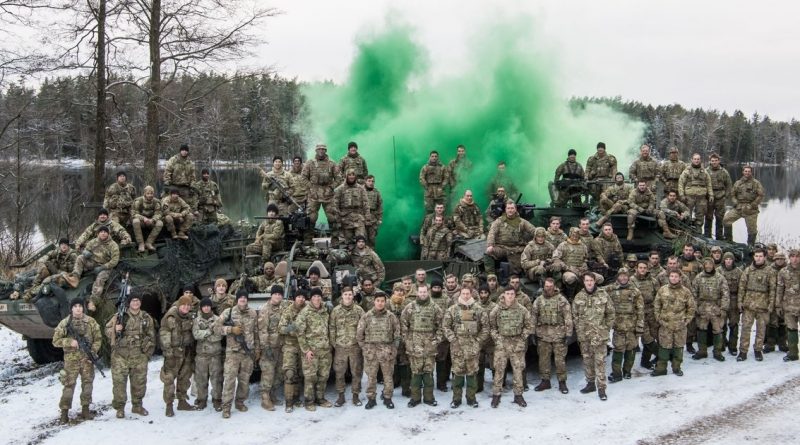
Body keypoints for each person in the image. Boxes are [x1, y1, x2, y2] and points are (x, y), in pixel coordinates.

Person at [52, 298, 102, 424]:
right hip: (71, 360)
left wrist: (93, 353)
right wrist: (70, 342)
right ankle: (64, 413)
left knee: (87, 384)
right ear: (72, 308)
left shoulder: (91, 322)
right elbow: (55, 341)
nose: (78, 308)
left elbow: (98, 339)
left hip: (87, 359)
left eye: (80, 306)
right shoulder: (65, 323)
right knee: (69, 385)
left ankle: (85, 409)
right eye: (75, 306)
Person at [106, 294, 156, 419]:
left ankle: (137, 406)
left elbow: (152, 336)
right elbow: (107, 331)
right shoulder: (119, 316)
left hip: (139, 356)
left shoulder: (146, 317)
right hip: (120, 356)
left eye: (138, 300)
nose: (135, 302)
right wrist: (115, 329)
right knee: (119, 385)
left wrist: (147, 355)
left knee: (139, 383)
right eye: (133, 300)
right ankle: (120, 408)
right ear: (129, 303)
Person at [443, 287, 489, 408]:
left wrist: (478, 341)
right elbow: (446, 327)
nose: (465, 296)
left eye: (467, 293)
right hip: (457, 348)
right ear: (460, 294)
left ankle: (471, 399)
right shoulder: (452, 310)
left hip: (472, 348)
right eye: (463, 293)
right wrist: (453, 340)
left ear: (471, 294)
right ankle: (456, 399)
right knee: (457, 374)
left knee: (471, 374)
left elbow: (485, 328)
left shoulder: (479, 310)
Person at [215, 289, 258, 418]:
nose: (243, 300)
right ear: (237, 299)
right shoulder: (228, 312)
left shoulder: (252, 313)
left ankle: (240, 402)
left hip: (247, 353)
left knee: (244, 380)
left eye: (245, 298)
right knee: (229, 380)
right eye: (240, 298)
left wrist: (257, 349)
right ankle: (226, 407)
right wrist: (230, 329)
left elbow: (256, 332)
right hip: (232, 353)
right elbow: (216, 328)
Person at [488, 286, 533, 408]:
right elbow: (491, 326)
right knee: (499, 370)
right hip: (502, 344)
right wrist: (497, 338)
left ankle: (518, 395)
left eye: (512, 293)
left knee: (518, 370)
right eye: (507, 293)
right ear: (504, 295)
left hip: (516, 344)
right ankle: (496, 395)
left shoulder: (522, 310)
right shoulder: (497, 310)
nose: (510, 296)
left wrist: (522, 338)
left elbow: (529, 326)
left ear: (515, 295)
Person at [572, 273, 615, 400]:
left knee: (600, 361)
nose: (589, 283)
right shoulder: (579, 296)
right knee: (587, 360)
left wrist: (605, 328)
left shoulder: (603, 295)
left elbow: (610, 313)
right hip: (584, 335)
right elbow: (575, 315)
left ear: (595, 281)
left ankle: (601, 388)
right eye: (587, 280)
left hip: (599, 335)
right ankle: (590, 383)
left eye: (591, 280)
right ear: (583, 282)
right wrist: (579, 329)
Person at [401, 285, 444, 407]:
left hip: (430, 347)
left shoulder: (435, 308)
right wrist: (408, 341)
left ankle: (429, 398)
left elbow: (441, 326)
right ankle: (415, 398)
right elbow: (403, 326)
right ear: (417, 293)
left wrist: (436, 341)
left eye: (425, 291)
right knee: (416, 373)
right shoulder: (410, 307)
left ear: (428, 292)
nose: (423, 294)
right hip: (415, 347)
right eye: (421, 292)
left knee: (428, 373)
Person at [358, 292, 401, 409]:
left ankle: (388, 398)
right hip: (371, 352)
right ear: (374, 301)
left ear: (385, 302)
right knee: (371, 377)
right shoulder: (366, 316)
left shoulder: (391, 317)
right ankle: (371, 399)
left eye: (382, 301)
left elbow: (397, 333)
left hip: (387, 352)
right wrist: (365, 348)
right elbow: (359, 334)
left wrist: (394, 348)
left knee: (388, 377)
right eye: (378, 301)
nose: (380, 303)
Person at [531, 278, 573, 394]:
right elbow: (533, 316)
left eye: (550, 286)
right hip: (543, 335)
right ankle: (545, 381)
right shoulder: (539, 300)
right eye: (546, 286)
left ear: (554, 287)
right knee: (543, 359)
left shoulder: (561, 299)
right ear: (543, 286)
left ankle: (562, 382)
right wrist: (532, 332)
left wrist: (569, 333)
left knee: (560, 360)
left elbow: (568, 317)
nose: (548, 288)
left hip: (558, 335)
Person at [652, 270, 696, 377]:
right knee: (664, 347)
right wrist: (658, 318)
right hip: (665, 325)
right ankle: (661, 368)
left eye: (676, 276)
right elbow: (657, 305)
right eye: (672, 276)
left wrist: (686, 320)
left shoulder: (686, 291)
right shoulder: (662, 290)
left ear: (680, 278)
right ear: (669, 277)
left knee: (678, 347)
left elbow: (691, 307)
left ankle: (676, 368)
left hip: (680, 325)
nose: (674, 278)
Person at [159, 291, 196, 417]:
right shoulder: (171, 317)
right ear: (179, 305)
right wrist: (168, 352)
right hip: (173, 353)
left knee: (184, 378)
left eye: (188, 305)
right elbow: (164, 333)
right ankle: (169, 405)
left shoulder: (190, 317)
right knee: (169, 379)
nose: (186, 307)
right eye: (183, 305)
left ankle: (182, 401)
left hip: (186, 352)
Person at [295, 287, 333, 411]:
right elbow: (300, 333)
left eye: (318, 296)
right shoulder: (305, 313)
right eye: (314, 296)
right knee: (310, 377)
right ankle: (309, 401)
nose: (317, 299)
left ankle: (320, 398)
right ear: (310, 298)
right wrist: (306, 350)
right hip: (311, 351)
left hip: (325, 350)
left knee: (323, 376)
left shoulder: (325, 311)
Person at [737, 248, 776, 362]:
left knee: (761, 330)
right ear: (753, 257)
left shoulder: (770, 271)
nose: (758, 258)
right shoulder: (748, 270)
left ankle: (758, 350)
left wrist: (771, 304)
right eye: (756, 256)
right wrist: (740, 302)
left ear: (764, 257)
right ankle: (743, 351)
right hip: (749, 306)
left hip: (763, 306)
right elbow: (742, 287)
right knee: (745, 329)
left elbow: (772, 289)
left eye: (760, 256)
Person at [66, 226, 119, 311]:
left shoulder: (113, 245)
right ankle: (75, 278)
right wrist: (85, 252)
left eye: (105, 232)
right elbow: (86, 250)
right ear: (98, 233)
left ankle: (92, 302)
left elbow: (115, 260)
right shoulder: (93, 242)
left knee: (100, 279)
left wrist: (102, 267)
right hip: (93, 263)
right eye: (101, 231)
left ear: (108, 234)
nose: (103, 233)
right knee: (80, 258)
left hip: (105, 266)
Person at [329, 287, 365, 407]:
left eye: (350, 294)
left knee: (357, 372)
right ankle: (341, 396)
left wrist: (361, 344)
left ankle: (355, 395)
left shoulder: (359, 310)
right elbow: (332, 328)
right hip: (340, 347)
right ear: (342, 296)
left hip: (355, 347)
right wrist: (334, 344)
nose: (348, 297)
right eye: (346, 294)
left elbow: (364, 327)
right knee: (339, 372)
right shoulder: (336, 311)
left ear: (353, 296)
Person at [256, 285, 290, 411]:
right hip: (269, 347)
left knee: (279, 372)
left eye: (280, 294)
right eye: (276, 294)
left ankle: (273, 395)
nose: (278, 296)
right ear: (271, 295)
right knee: (268, 372)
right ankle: (265, 398)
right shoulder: (265, 309)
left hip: (280, 346)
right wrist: (266, 347)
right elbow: (262, 331)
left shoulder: (283, 306)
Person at [607, 269, 644, 383]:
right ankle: (617, 374)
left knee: (631, 349)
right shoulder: (611, 289)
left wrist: (640, 325)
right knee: (618, 350)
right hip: (618, 327)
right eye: (621, 276)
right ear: (617, 277)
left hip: (631, 327)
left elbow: (640, 309)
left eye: (625, 276)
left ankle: (627, 372)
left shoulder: (635, 291)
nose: (623, 278)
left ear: (628, 277)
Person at [691, 257, 730, 361]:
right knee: (701, 329)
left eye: (710, 264)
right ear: (703, 266)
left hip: (716, 308)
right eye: (706, 264)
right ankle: (702, 351)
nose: (708, 266)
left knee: (717, 330)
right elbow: (693, 294)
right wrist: (695, 308)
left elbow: (725, 294)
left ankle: (717, 352)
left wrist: (723, 308)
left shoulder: (720, 278)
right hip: (702, 308)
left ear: (713, 265)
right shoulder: (698, 278)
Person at [484, 201, 536, 274]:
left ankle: (530, 273)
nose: (510, 210)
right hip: (502, 248)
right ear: (505, 210)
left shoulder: (522, 221)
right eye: (508, 208)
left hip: (518, 249)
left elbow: (533, 230)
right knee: (488, 253)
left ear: (515, 209)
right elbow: (492, 233)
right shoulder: (499, 221)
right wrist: (490, 245)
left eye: (512, 208)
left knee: (534, 252)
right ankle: (491, 275)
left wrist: (541, 236)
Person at [302, 144, 341, 236]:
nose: (321, 151)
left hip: (328, 195)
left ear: (326, 151)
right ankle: (308, 240)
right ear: (316, 150)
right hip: (313, 195)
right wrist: (310, 187)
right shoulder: (310, 163)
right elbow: (303, 177)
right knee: (311, 218)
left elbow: (339, 178)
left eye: (323, 149)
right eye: (319, 149)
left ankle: (334, 240)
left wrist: (332, 187)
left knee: (333, 218)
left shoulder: (332, 163)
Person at [278, 289, 307, 413]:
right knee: (289, 373)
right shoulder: (288, 311)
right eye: (299, 296)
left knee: (300, 374)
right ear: (295, 298)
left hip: (304, 346)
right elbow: (281, 328)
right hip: (290, 345)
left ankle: (296, 398)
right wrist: (292, 329)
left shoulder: (307, 310)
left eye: (303, 297)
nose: (301, 299)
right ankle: (289, 402)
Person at [192, 297, 223, 411]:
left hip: (215, 355)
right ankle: (201, 400)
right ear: (201, 308)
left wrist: (204, 335)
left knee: (217, 379)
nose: (206, 307)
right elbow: (195, 334)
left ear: (211, 307)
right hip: (201, 355)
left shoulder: (217, 319)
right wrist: (209, 332)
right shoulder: (196, 320)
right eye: (204, 306)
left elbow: (219, 335)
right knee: (201, 379)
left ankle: (217, 400)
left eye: (208, 306)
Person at [723, 165, 764, 246]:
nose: (747, 173)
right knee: (726, 220)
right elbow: (732, 194)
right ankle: (728, 241)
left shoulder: (756, 183)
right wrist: (735, 202)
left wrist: (753, 204)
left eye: (749, 171)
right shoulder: (738, 183)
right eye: (745, 171)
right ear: (743, 172)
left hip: (750, 209)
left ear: (751, 172)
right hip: (739, 207)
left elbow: (761, 195)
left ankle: (750, 246)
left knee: (752, 229)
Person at [631, 261, 660, 369]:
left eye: (644, 268)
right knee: (647, 338)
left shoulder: (653, 281)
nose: (642, 269)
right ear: (637, 268)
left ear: (647, 269)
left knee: (652, 336)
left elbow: (658, 296)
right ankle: (663, 357)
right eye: (640, 267)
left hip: (652, 313)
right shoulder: (631, 281)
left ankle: (645, 361)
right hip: (639, 313)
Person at [678, 153, 714, 232]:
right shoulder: (686, 171)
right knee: (687, 215)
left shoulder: (704, 172)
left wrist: (711, 195)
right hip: (689, 197)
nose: (696, 161)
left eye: (698, 159)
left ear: (700, 160)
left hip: (701, 198)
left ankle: (698, 232)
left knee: (700, 216)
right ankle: (687, 231)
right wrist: (681, 195)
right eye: (695, 159)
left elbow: (709, 184)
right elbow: (681, 183)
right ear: (692, 160)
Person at [334, 169, 370, 245]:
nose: (351, 176)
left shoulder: (361, 189)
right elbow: (335, 206)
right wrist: (338, 221)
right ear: (346, 176)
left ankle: (361, 257)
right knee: (348, 243)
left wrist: (367, 219)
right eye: (349, 175)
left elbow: (366, 204)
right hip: (345, 220)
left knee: (361, 240)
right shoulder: (339, 189)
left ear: (355, 176)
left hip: (359, 218)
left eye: (353, 174)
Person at [777, 249, 800, 362]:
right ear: (789, 258)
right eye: (792, 256)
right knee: (791, 330)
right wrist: (778, 305)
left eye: (797, 256)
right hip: (789, 306)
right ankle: (793, 353)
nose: (795, 259)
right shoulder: (783, 272)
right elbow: (780, 289)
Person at [718, 252, 743, 355]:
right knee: (721, 324)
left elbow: (742, 288)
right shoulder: (718, 271)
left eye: (730, 259)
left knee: (734, 324)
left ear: (733, 260)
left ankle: (733, 347)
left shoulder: (738, 272)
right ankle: (722, 344)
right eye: (726, 259)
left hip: (734, 299)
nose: (728, 261)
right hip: (722, 300)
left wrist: (740, 302)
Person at [705, 153, 733, 240]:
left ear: (719, 161)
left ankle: (719, 237)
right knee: (708, 217)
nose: (714, 162)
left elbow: (729, 185)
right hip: (709, 197)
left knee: (719, 218)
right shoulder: (706, 171)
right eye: (712, 161)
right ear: (710, 161)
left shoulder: (724, 172)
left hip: (720, 197)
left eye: (716, 161)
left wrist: (726, 196)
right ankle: (707, 236)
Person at [163, 143, 197, 208]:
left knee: (190, 203)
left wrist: (192, 186)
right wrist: (167, 183)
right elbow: (167, 171)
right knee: (167, 201)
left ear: (187, 151)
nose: (184, 152)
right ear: (180, 151)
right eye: (183, 150)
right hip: (173, 186)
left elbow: (193, 177)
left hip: (185, 187)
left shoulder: (190, 163)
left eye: (186, 150)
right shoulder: (173, 160)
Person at [131, 186, 164, 252]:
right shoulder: (138, 201)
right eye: (148, 193)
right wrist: (144, 218)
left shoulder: (156, 202)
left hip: (151, 221)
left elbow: (159, 213)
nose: (150, 195)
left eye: (151, 193)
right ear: (144, 194)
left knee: (160, 223)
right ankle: (141, 243)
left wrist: (153, 219)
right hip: (142, 222)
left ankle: (149, 242)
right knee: (135, 221)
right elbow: (134, 213)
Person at [364, 175, 383, 247]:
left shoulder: (376, 192)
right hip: (363, 219)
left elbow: (380, 206)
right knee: (362, 240)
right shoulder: (361, 190)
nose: (371, 183)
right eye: (369, 181)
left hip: (373, 220)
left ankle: (371, 257)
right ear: (365, 181)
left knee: (372, 240)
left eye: (372, 181)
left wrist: (379, 218)